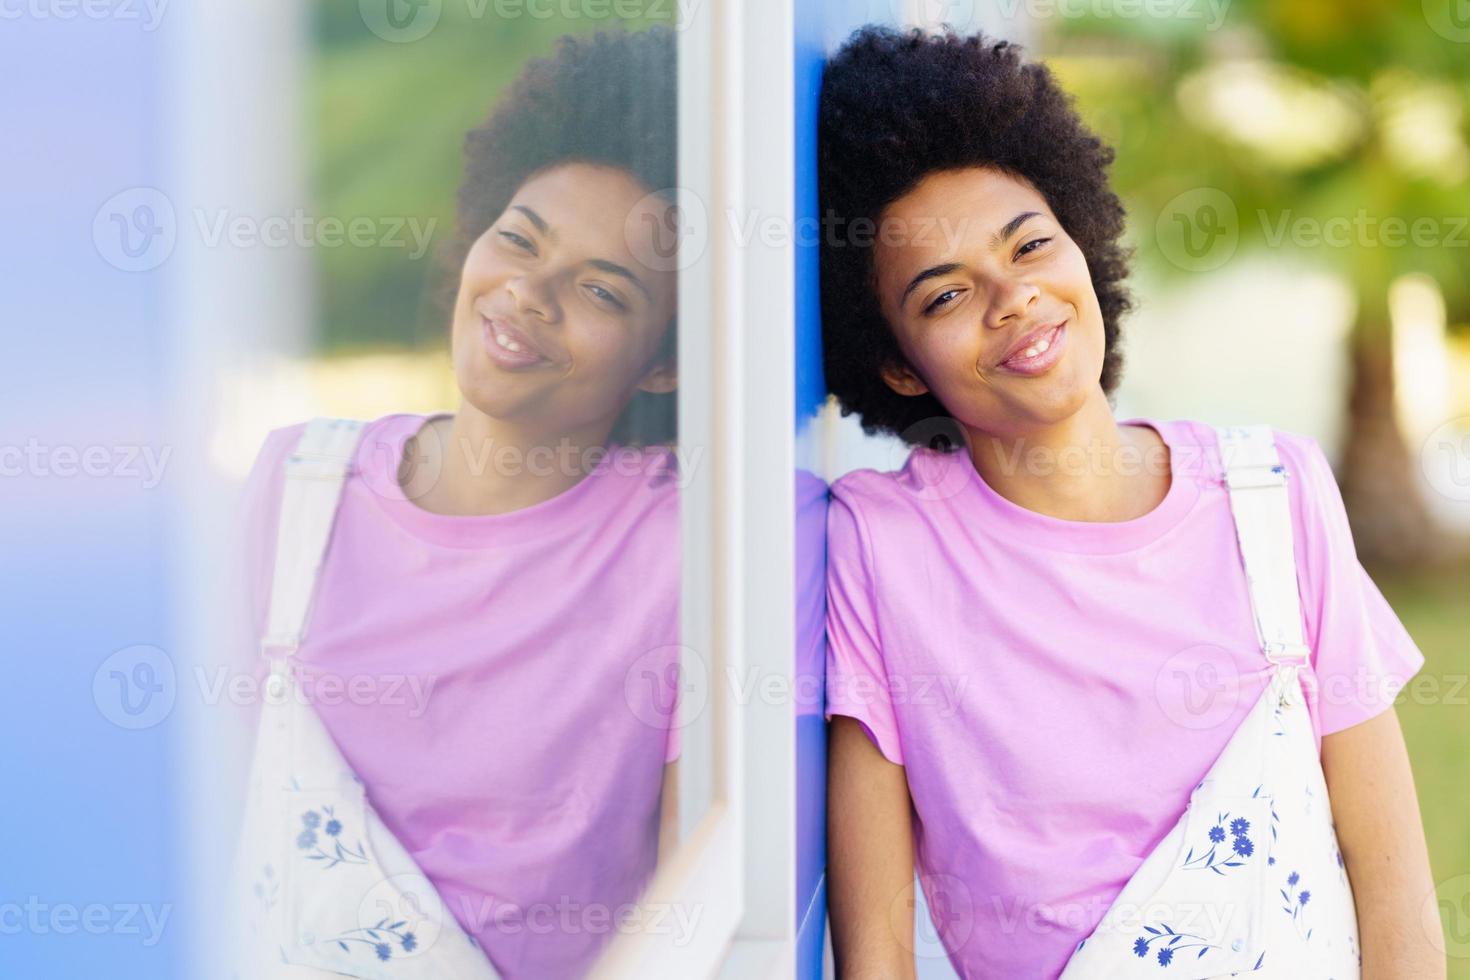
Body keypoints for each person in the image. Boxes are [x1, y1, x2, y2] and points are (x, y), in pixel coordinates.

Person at [818, 25, 1441, 979]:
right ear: (898, 365)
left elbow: (1392, 885)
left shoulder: (1273, 496)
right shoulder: (877, 545)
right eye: (945, 297)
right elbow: (875, 953)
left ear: (1082, 239)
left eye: (1030, 245)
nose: (1014, 298)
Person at [230, 27, 684, 979]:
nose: (526, 293)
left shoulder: (694, 543)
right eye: (518, 239)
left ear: (667, 363)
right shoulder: (298, 486)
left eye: (601, 289)